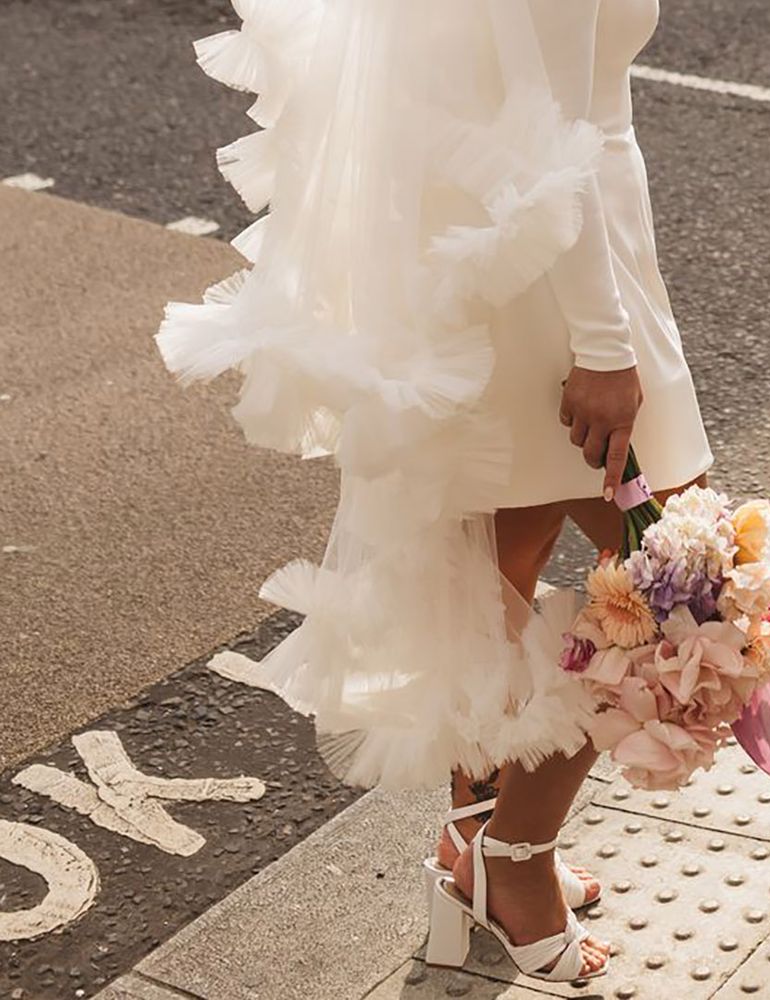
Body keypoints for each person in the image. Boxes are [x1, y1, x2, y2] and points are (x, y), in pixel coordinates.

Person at [157, 0, 713, 982]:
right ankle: (514, 860)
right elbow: (552, 142)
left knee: (497, 569)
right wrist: (602, 347)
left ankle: (472, 834)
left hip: (516, 255)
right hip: (560, 277)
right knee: (683, 583)